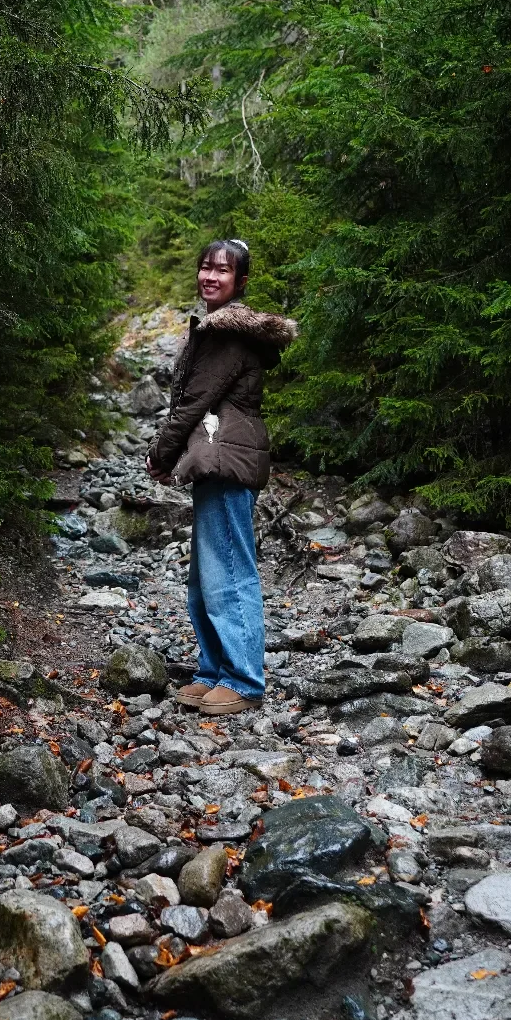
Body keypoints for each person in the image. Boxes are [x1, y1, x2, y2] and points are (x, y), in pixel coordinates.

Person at [145, 239, 298, 716]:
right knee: (207, 573)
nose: (210, 277)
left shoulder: (227, 334)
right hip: (218, 456)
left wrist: (161, 454)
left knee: (230, 571)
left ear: (240, 282)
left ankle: (244, 680)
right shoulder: (214, 329)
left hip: (227, 458)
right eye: (206, 268)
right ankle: (212, 670)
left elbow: (193, 404)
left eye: (222, 272)